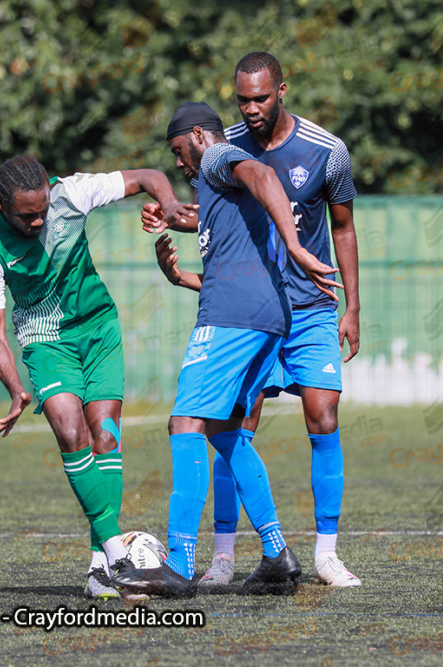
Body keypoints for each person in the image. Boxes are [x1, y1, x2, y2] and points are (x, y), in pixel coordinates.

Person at [147, 52, 362, 588]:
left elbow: (340, 226)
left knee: (317, 415)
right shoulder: (226, 146)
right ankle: (243, 556)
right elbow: (219, 223)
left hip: (304, 304)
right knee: (230, 427)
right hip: (261, 305)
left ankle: (320, 554)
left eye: (260, 98)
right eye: (242, 99)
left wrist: (350, 305)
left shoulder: (324, 151)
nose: (251, 108)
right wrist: (170, 215)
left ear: (282, 90)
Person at [0, 155, 194, 600]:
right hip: (46, 340)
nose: (38, 220)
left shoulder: (70, 193)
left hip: (99, 331)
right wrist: (14, 388)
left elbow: (149, 177)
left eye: (42, 210)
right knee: (71, 432)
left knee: (106, 438)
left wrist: (168, 202)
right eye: (26, 215)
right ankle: (121, 556)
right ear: (1, 202)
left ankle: (99, 568)